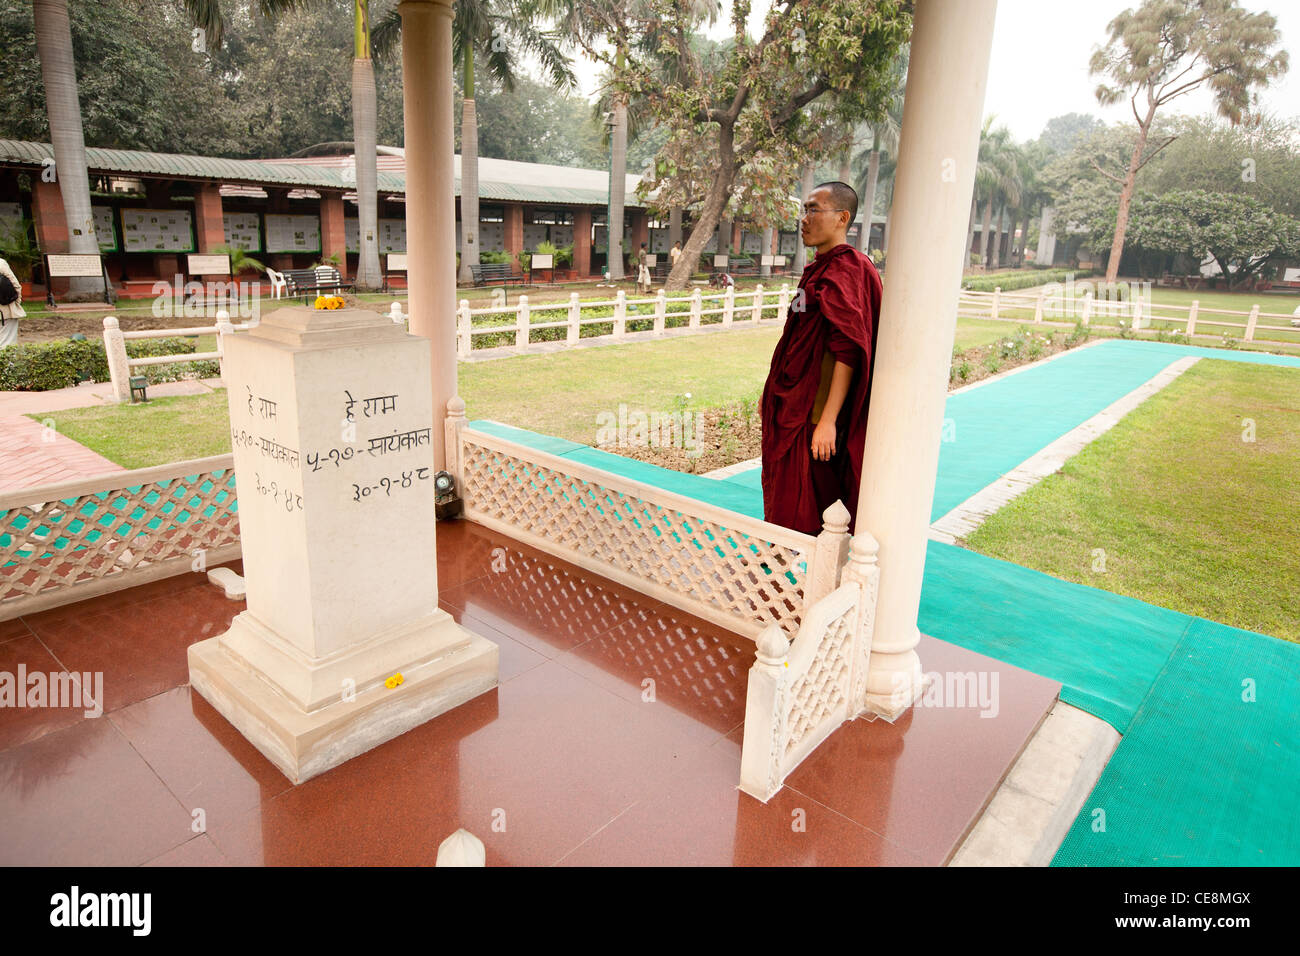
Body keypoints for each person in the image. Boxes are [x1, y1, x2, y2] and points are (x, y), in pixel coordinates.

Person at [759, 182, 882, 536]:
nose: (804, 219)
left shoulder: (850, 269)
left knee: (816, 503)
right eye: (804, 210)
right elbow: (796, 333)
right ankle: (783, 558)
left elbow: (848, 351)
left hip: (816, 415)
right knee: (786, 494)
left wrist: (828, 421)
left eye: (814, 209)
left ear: (842, 218)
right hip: (792, 403)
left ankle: (805, 572)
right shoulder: (816, 269)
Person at [0, 255, 26, 349]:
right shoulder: (1, 263)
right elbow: (16, 286)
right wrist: (16, 303)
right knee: (7, 345)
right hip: (6, 310)